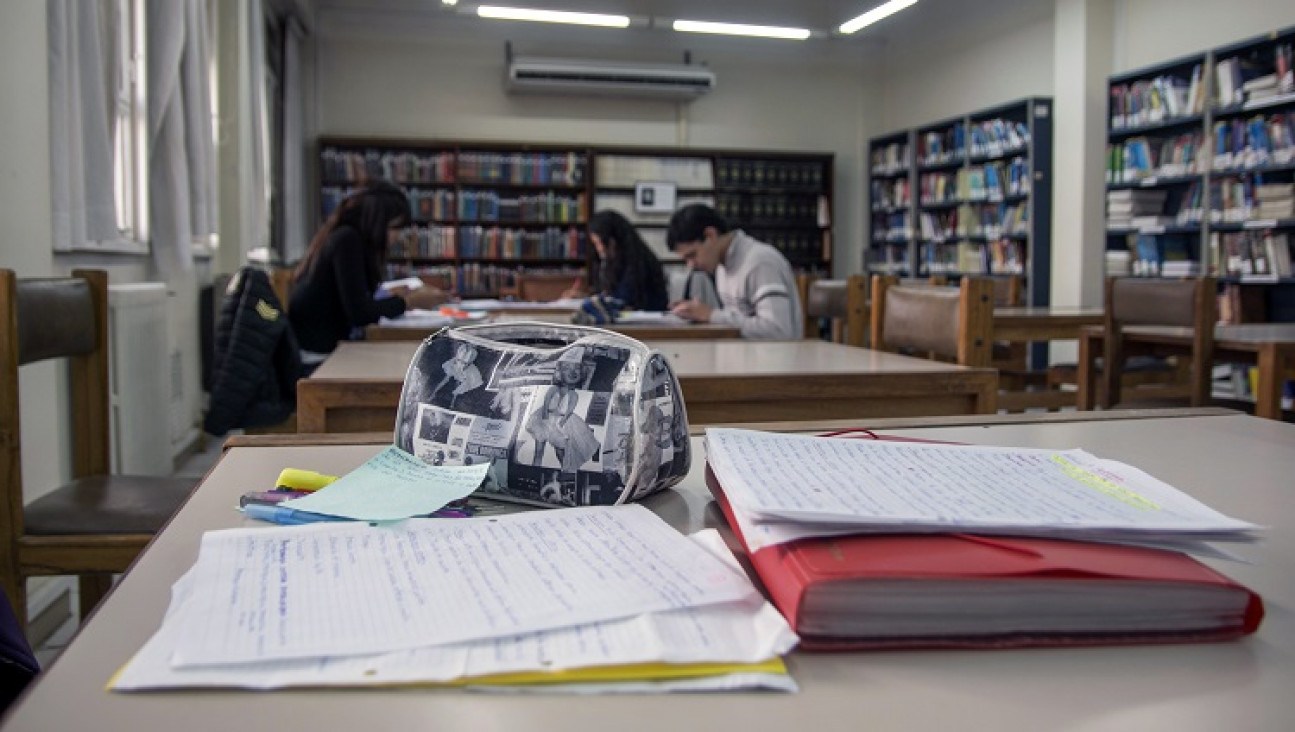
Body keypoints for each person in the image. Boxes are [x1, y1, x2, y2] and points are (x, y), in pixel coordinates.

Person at [289, 180, 448, 364]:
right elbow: (359, 313)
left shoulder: (347, 237)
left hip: (326, 346)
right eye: (395, 228)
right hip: (318, 355)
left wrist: (397, 295)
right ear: (378, 223)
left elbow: (356, 300)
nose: (398, 236)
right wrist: (410, 301)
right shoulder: (347, 240)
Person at [666, 203, 803, 339]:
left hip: (774, 358)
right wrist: (697, 313)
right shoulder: (722, 266)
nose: (691, 264)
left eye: (692, 255)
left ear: (710, 235)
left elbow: (777, 330)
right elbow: (737, 319)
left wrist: (711, 315)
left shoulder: (760, 262)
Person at [563, 210, 669, 311]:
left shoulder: (638, 262)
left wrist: (591, 300)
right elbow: (609, 297)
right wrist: (585, 297)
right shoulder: (614, 263)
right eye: (595, 244)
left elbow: (623, 300)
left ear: (614, 240)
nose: (599, 249)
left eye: (600, 243)